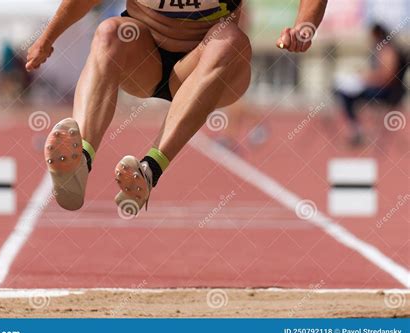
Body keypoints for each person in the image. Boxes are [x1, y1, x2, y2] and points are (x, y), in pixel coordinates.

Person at [26, 0, 328, 215]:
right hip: (145, 61)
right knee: (109, 32)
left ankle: (149, 170)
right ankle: (82, 160)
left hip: (209, 67)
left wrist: (304, 28)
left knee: (229, 38)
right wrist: (48, 37)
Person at [334, 23, 407, 146]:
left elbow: (387, 76)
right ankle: (355, 128)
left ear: (378, 35)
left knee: (347, 94)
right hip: (379, 88)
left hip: (386, 92)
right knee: (344, 93)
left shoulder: (388, 50)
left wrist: (366, 79)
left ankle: (356, 129)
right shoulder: (381, 49)